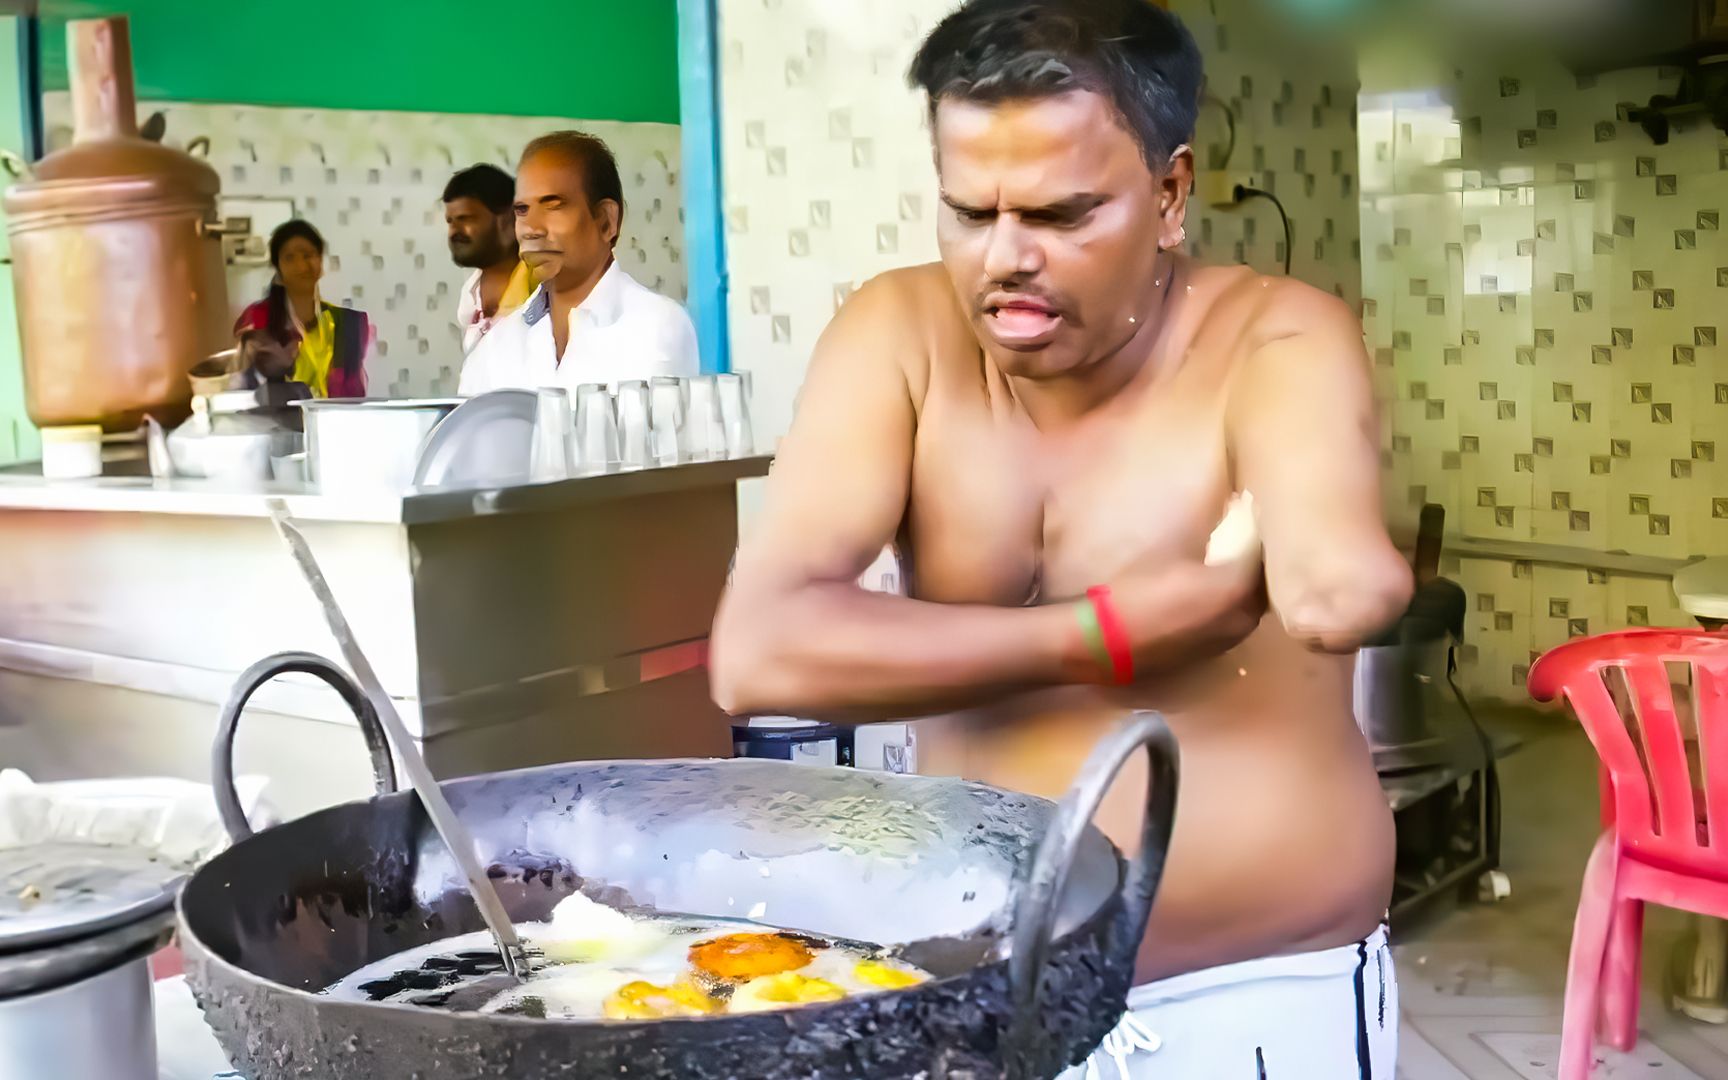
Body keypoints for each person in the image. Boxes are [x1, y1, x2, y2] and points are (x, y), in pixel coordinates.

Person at [709, 1, 1413, 1076]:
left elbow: (1333, 579)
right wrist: (1112, 634)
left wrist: (1334, 566)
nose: (1004, 260)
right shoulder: (898, 336)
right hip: (981, 991)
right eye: (968, 212)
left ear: (1170, 194)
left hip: (1256, 996)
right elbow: (758, 654)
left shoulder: (1278, 336)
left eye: (1061, 214)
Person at [457, 131, 700, 395]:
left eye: (553, 206)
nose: (531, 229)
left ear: (606, 221)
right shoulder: (495, 348)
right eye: (522, 210)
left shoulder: (657, 327)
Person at [235, 220, 372, 398]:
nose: (301, 266)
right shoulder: (256, 319)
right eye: (290, 258)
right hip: (273, 423)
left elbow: (354, 395)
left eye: (307, 255)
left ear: (320, 263)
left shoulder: (348, 323)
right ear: (279, 271)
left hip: (333, 423)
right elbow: (242, 389)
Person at [445, 164, 535, 353]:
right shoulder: (470, 296)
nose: (454, 232)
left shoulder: (543, 293)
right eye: (451, 221)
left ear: (508, 221)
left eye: (466, 219)